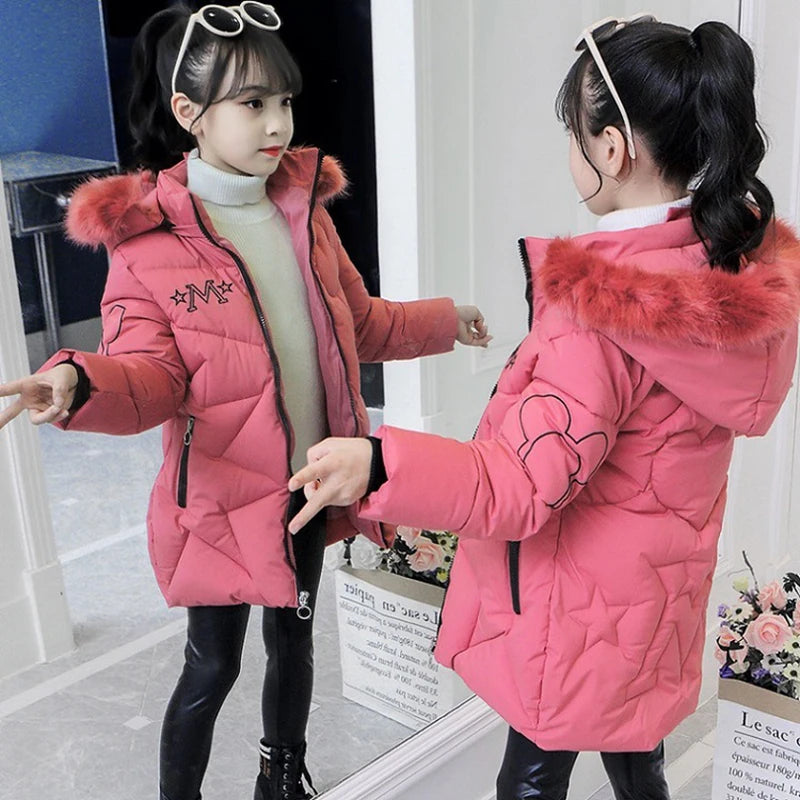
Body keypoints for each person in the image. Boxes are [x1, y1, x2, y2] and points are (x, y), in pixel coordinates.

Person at [286, 14, 800, 800]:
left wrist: (382, 462)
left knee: (532, 774)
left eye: (573, 132)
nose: (570, 150)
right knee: (636, 745)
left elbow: (521, 484)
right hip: (654, 600)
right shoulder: (717, 263)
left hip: (575, 609)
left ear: (611, 149)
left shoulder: (600, 311)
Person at [0, 4, 490, 800]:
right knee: (213, 665)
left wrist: (443, 319)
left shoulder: (304, 211)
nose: (277, 123)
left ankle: (281, 778)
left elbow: (359, 324)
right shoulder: (147, 244)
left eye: (284, 101)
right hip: (221, 500)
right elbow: (151, 379)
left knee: (295, 644)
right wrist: (79, 381)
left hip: (308, 484)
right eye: (253, 103)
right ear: (189, 112)